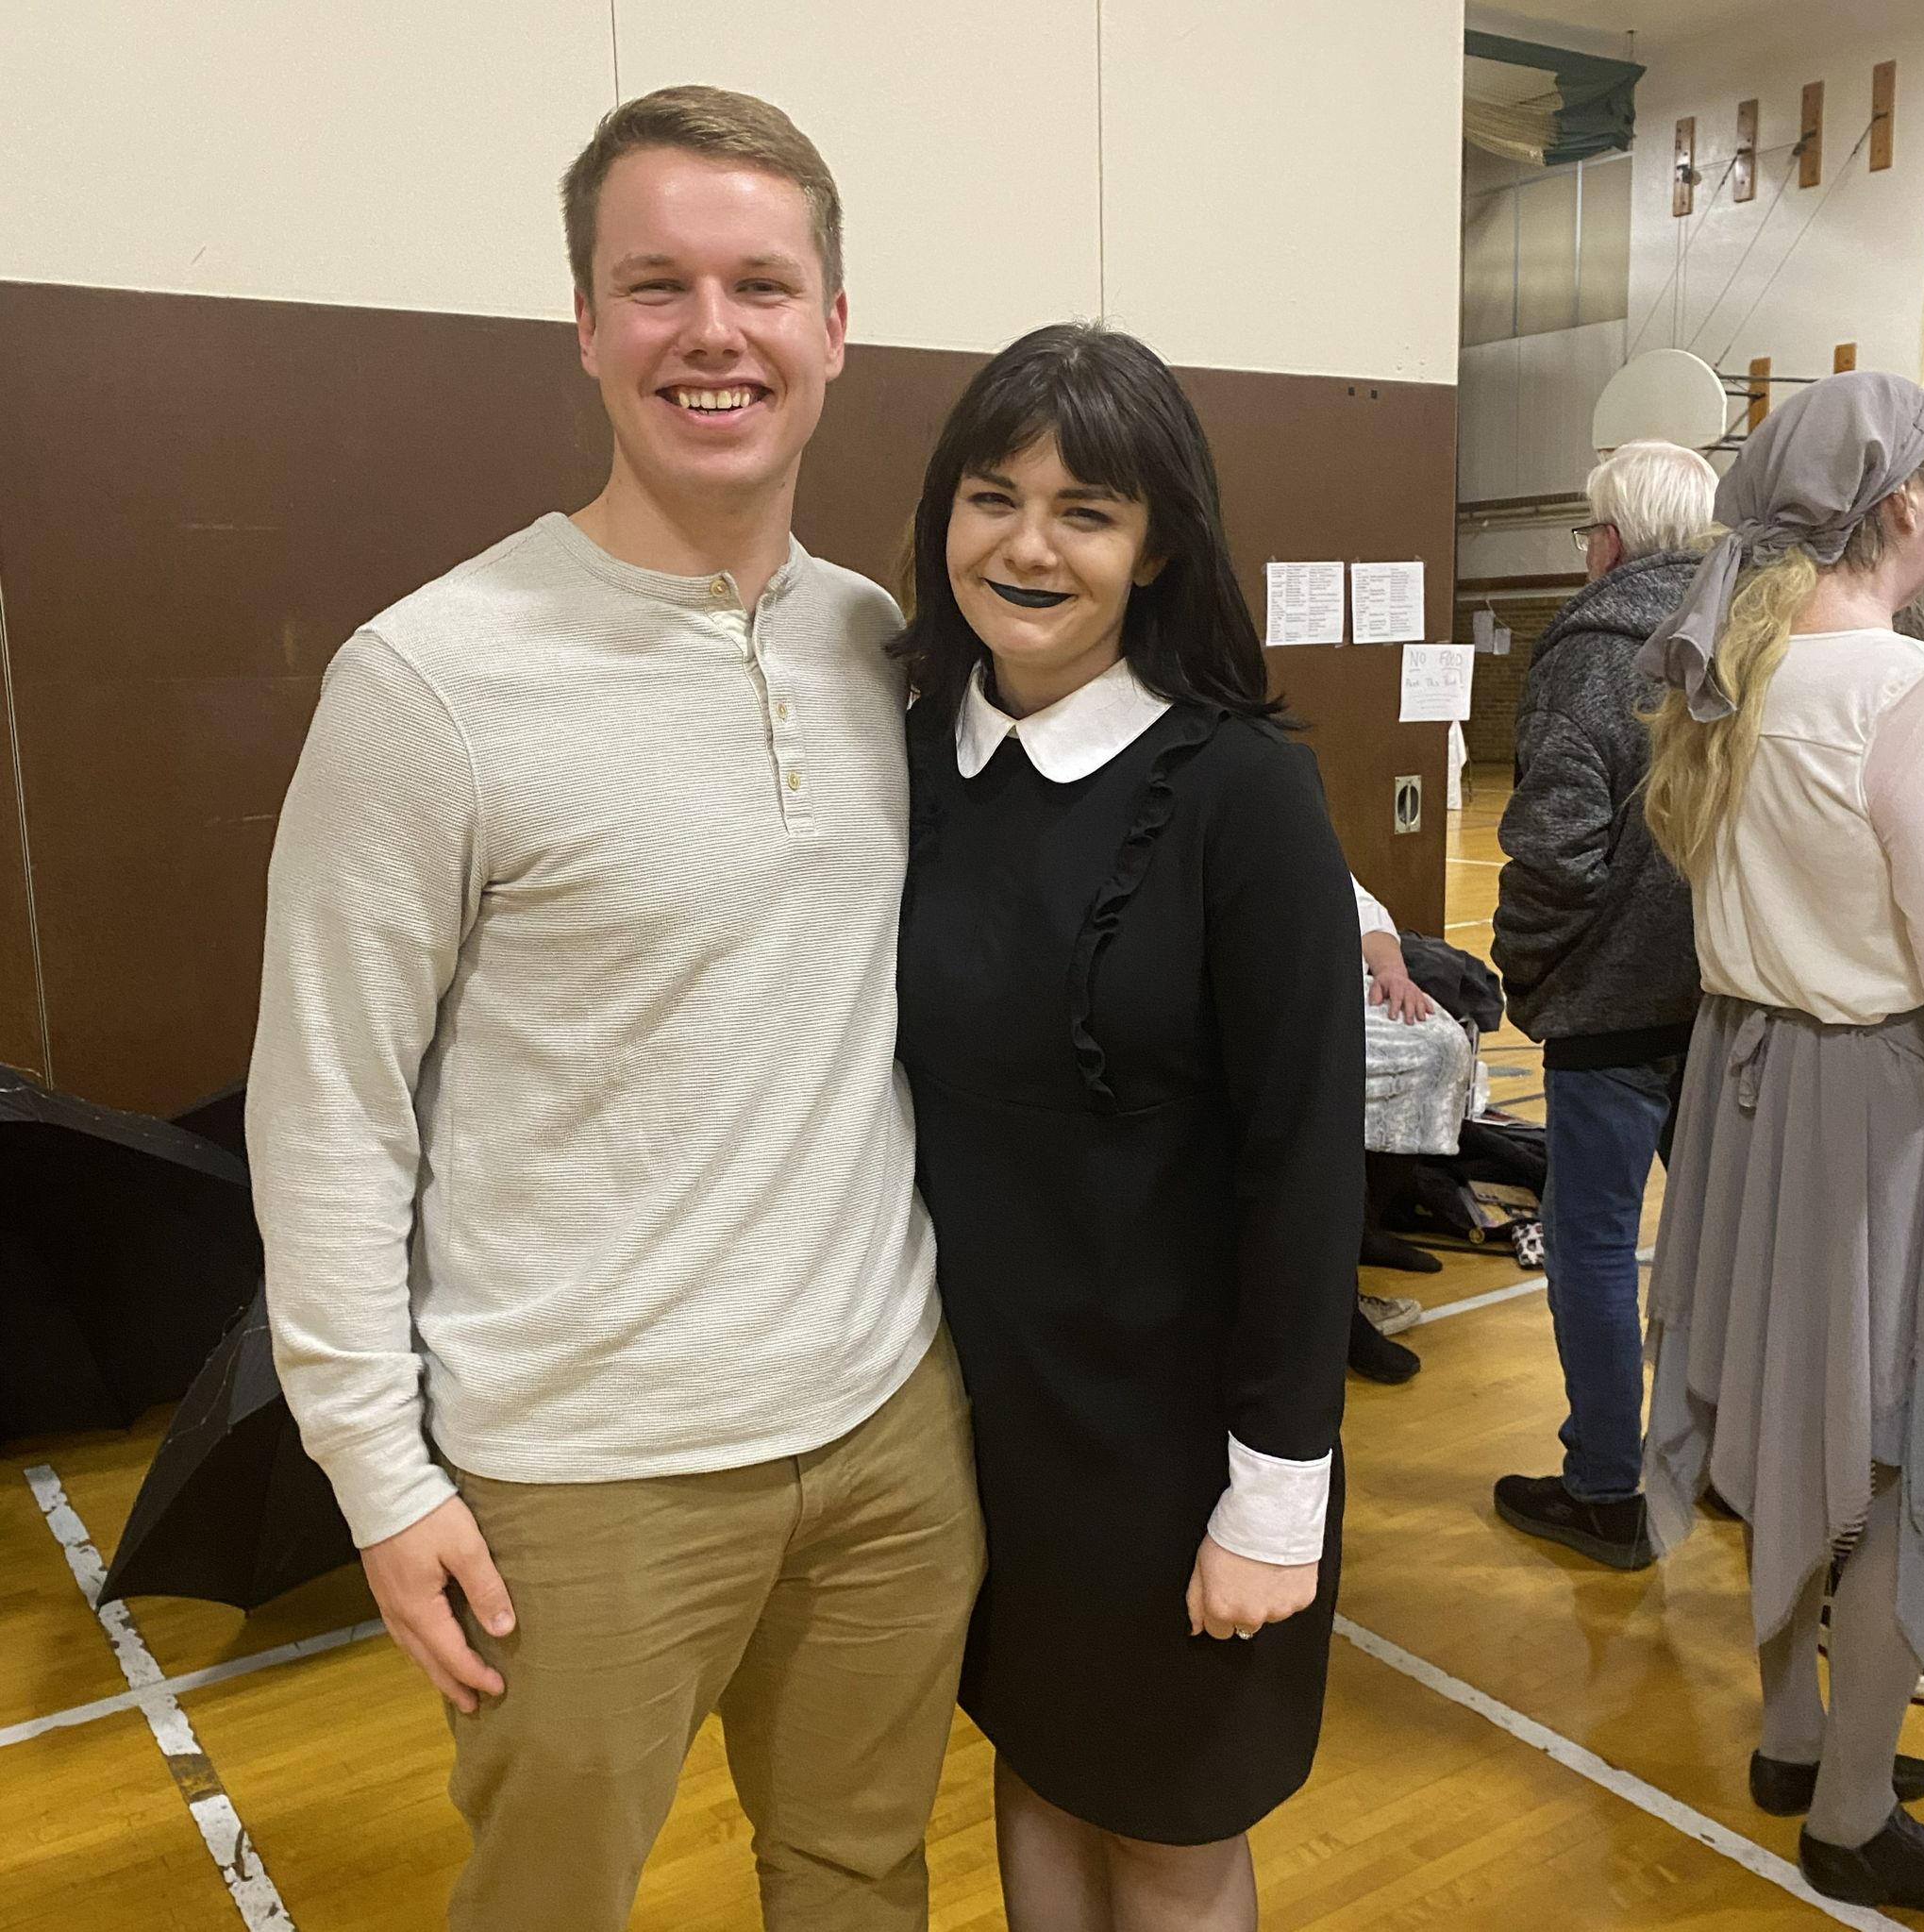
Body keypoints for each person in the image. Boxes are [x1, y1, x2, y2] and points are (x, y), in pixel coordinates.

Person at [246, 87, 983, 1932]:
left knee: (857, 1878)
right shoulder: (428, 680)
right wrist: (377, 1474)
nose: (710, 330)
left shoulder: (883, 645)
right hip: (579, 1477)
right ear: (583, 326)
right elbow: (328, 1102)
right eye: (654, 285)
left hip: (891, 1427)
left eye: (759, 282)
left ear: (833, 324)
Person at [893, 323, 1362, 1932]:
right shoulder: (917, 755)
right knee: (1036, 1766)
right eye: (990, 495)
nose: (1026, 544)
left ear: (1154, 543)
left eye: (1083, 510)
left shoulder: (1238, 789)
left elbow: (1306, 1162)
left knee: (1169, 1829)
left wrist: (1271, 1498)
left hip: (1186, 1445)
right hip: (994, 1429)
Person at [1639, 370, 1924, 1908]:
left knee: (1782, 1426)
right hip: (1869, 1099)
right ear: (1896, 507)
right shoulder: (1899, 691)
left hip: (1740, 1079)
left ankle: (1794, 1731)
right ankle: (1848, 1804)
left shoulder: (1730, 674)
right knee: (1888, 1468)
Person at [1490, 439, 1715, 1570]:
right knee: (1716, 1249)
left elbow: (1554, 848)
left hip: (1609, 1008)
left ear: (1612, 538)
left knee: (1589, 1246)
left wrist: (1523, 969)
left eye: (1587, 529)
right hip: (1723, 998)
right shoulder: (1757, 637)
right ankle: (1716, 1467)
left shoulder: (1592, 652)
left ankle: (1603, 1486)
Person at [1352, 874, 1481, 1384]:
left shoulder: (1290, 812)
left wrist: (1392, 972)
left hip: (1322, 983)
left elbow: (1361, 907)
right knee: (1324, 1082)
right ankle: (1337, 1312)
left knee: (1440, 1046)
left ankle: (1367, 1224)